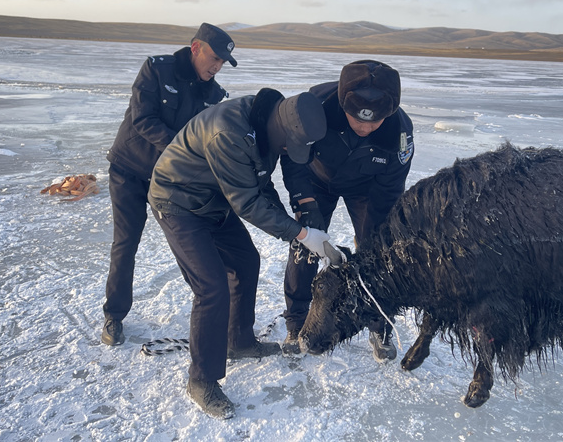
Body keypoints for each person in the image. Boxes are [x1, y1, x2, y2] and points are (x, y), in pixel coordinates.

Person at [148, 88, 340, 420]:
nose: (287, 152)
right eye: (289, 148)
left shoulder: (271, 122)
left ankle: (239, 341)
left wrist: (298, 226)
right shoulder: (228, 133)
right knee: (211, 288)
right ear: (282, 133)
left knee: (246, 262)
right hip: (178, 202)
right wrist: (302, 234)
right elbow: (248, 203)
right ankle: (201, 380)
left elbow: (260, 185)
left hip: (214, 200)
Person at [100, 23, 237, 347]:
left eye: (222, 62)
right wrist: (184, 149)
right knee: (126, 243)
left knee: (188, 243)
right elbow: (143, 119)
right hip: (130, 170)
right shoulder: (157, 70)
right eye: (214, 58)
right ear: (196, 48)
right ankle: (114, 316)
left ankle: (212, 309)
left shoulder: (214, 95)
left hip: (170, 179)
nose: (217, 67)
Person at [280, 59, 415, 361]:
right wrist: (304, 202)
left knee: (379, 255)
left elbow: (390, 191)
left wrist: (374, 238)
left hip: (368, 189)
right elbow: (292, 156)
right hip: (316, 181)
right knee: (304, 248)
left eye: (375, 122)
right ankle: (296, 321)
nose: (365, 127)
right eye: (357, 119)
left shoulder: (400, 135)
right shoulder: (314, 107)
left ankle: (379, 324)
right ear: (343, 104)